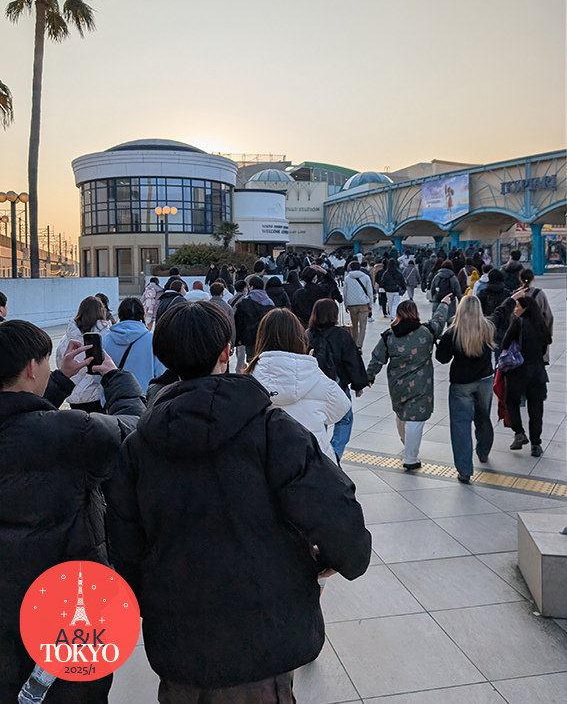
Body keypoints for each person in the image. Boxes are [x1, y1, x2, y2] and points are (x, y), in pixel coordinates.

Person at [105, 301, 371, 703]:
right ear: (227, 352)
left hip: (180, 642)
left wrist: (153, 598)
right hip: (264, 637)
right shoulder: (274, 429)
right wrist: (343, 558)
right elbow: (334, 508)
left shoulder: (139, 447)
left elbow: (123, 545)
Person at [0, 319, 144, 703]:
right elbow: (134, 430)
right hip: (66, 605)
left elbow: (16, 422)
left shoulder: (52, 431)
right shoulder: (70, 433)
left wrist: (61, 380)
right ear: (32, 368)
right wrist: (116, 378)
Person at [247, 308, 351, 461]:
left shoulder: (247, 380)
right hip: (313, 466)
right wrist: (312, 367)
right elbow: (341, 408)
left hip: (265, 467)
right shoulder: (314, 377)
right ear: (299, 337)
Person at [367, 297, 451, 470]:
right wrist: (444, 304)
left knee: (401, 413)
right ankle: (410, 458)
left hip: (397, 385)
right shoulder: (427, 332)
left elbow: (377, 359)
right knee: (415, 419)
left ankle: (407, 444)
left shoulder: (389, 335)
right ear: (416, 313)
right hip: (421, 384)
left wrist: (368, 377)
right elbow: (439, 320)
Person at [436, 295, 503, 483]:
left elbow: (442, 358)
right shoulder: (488, 327)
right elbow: (501, 313)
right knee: (483, 417)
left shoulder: (453, 332)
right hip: (485, 380)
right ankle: (483, 451)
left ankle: (465, 470)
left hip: (461, 384)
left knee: (460, 426)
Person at [307, 299, 369, 459]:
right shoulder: (342, 334)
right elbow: (352, 361)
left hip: (313, 384)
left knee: (321, 420)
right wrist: (358, 384)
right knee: (345, 418)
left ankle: (320, 452)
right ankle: (334, 454)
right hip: (337, 384)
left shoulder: (307, 335)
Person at [503, 295, 552, 457]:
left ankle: (519, 433)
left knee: (511, 402)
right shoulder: (541, 324)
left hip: (519, 372)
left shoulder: (518, 322)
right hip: (538, 372)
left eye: (517, 306)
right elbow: (545, 347)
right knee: (536, 407)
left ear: (525, 308)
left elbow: (505, 343)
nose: (515, 309)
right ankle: (536, 444)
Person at [56, 295, 112, 412]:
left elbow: (60, 361)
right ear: (101, 312)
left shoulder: (67, 338)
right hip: (97, 395)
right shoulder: (106, 336)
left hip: (73, 394)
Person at [103, 297, 161, 392]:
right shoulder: (152, 339)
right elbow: (160, 371)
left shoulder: (106, 340)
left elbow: (98, 375)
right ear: (142, 314)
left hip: (113, 397)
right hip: (142, 397)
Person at [234, 274, 274, 361]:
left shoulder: (244, 303)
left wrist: (238, 339)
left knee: (251, 361)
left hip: (250, 338)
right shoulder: (270, 304)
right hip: (266, 338)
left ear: (251, 287)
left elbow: (239, 322)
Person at [519, 268, 554, 362]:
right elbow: (549, 316)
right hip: (537, 334)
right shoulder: (540, 294)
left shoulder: (516, 294)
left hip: (521, 334)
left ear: (520, 279)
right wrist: (548, 332)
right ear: (533, 278)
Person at [342, 261, 374, 348]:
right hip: (363, 304)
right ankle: (359, 345)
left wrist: (346, 305)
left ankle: (354, 343)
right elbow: (370, 292)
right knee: (363, 326)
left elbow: (345, 293)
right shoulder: (366, 277)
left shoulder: (347, 278)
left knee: (354, 325)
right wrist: (370, 305)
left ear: (350, 268)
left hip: (352, 305)